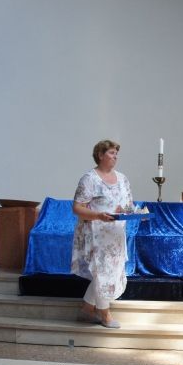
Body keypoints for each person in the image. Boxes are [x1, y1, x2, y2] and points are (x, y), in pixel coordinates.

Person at [71, 140, 134, 329]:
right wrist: (98, 215)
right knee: (102, 273)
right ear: (100, 155)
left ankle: (86, 310)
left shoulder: (123, 179)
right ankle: (105, 314)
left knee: (111, 272)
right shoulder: (89, 179)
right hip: (96, 234)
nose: (115, 156)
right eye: (112, 153)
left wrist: (131, 211)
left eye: (116, 153)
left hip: (116, 235)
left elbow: (128, 205)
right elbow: (77, 208)